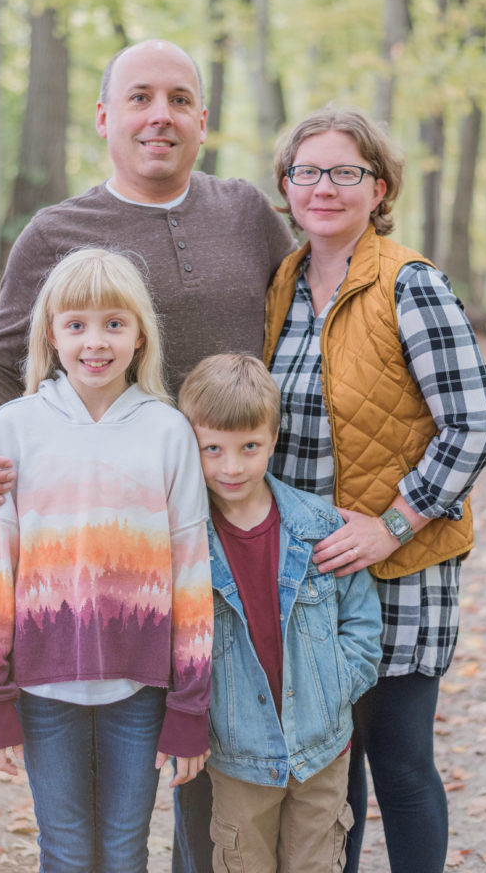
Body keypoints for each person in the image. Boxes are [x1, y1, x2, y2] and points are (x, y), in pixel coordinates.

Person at [0, 38, 295, 873]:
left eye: (179, 99)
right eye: (139, 98)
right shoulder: (57, 232)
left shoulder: (247, 212)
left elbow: (311, 318)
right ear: (105, 116)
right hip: (112, 543)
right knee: (120, 797)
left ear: (203, 121)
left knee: (228, 759)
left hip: (242, 517)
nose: (160, 115)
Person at [262, 107, 486, 873]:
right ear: (286, 186)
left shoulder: (411, 284)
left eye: (345, 172)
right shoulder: (284, 283)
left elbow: (475, 423)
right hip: (310, 571)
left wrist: (391, 524)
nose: (323, 187)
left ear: (380, 186)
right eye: (307, 172)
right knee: (335, 775)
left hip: (399, 565)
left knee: (398, 765)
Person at [0, 247, 213, 873]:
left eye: (114, 324)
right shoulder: (16, 426)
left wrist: (190, 705)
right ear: (51, 333)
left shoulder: (167, 431)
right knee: (67, 851)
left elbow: (191, 571)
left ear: (139, 335)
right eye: (76, 325)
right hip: (43, 687)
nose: (94, 342)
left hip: (141, 688)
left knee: (127, 852)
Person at [178, 354, 382, 873]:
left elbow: (360, 621)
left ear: (273, 439)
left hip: (322, 752)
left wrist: (337, 686)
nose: (232, 466)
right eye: (213, 449)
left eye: (250, 447)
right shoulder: (184, 540)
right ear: (191, 447)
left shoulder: (317, 523)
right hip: (239, 759)